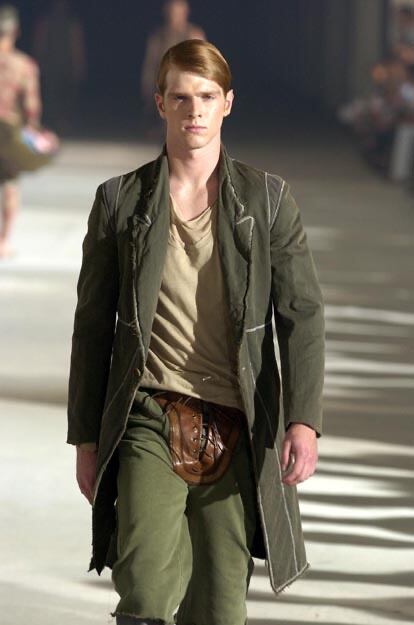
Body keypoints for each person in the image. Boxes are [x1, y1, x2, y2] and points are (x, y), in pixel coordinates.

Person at [67, 39, 325, 625]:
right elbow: (92, 326)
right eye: (181, 97)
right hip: (149, 410)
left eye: (207, 97)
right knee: (145, 585)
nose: (195, 111)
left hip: (239, 416)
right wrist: (86, 436)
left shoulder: (268, 201)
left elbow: (301, 314)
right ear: (160, 103)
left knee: (220, 606)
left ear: (228, 103)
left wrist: (303, 420)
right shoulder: (120, 201)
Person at [0, 5, 56, 259]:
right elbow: (32, 109)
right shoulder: (24, 66)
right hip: (8, 134)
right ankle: (4, 241)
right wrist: (38, 134)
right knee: (10, 183)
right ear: (15, 32)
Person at [140, 0, 205, 137]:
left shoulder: (193, 34)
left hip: (189, 84)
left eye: (178, 12)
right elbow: (151, 62)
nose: (174, 16)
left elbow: (202, 62)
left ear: (186, 13)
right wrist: (147, 83)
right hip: (165, 84)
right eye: (172, 12)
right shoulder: (159, 36)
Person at [33, 0, 87, 133]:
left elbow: (77, 46)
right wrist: (38, 62)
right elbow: (40, 44)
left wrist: (78, 65)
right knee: (51, 94)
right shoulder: (46, 22)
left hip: (66, 64)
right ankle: (53, 122)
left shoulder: (72, 23)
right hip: (50, 64)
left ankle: (64, 122)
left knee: (67, 93)